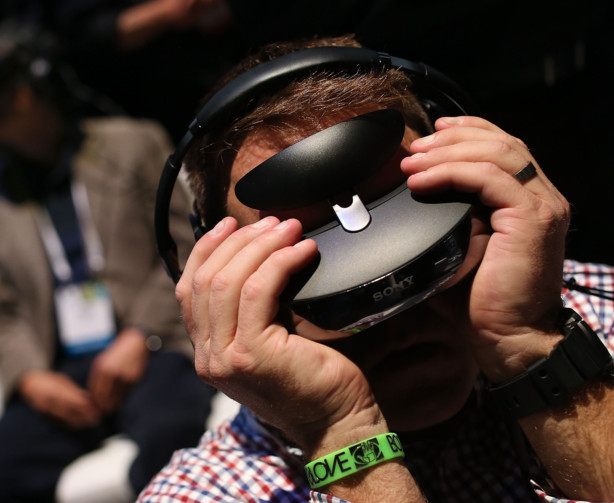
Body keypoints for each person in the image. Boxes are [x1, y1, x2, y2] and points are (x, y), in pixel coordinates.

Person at [137, 34, 614, 502]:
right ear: (222, 280)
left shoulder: (602, 315)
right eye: (311, 271)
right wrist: (336, 430)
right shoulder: (203, 493)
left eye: (428, 245)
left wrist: (529, 345)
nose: (394, 305)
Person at [0, 23, 212, 502]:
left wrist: (142, 335)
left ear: (38, 85)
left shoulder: (132, 143)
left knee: (168, 437)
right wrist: (30, 379)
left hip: (151, 346)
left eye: (2, 91)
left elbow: (184, 250)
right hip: (60, 369)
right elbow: (0, 312)